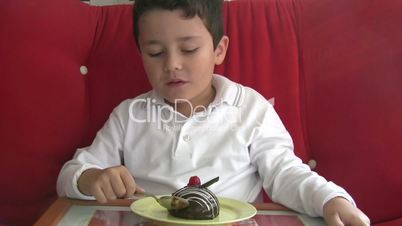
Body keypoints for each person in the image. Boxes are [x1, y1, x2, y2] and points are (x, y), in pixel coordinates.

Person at [57, 0, 370, 225]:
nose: (172, 64)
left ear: (219, 50)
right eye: (155, 52)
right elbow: (71, 175)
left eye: (189, 49)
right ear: (141, 54)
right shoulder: (130, 115)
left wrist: (331, 199)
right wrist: (92, 178)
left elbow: (285, 172)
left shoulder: (250, 108)